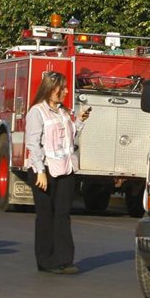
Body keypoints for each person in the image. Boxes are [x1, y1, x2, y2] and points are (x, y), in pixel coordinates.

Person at [26, 70, 90, 274]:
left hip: (65, 168)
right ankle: (46, 261)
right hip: (44, 169)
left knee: (62, 214)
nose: (66, 91)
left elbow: (70, 136)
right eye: (62, 88)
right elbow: (33, 143)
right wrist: (40, 171)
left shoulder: (63, 112)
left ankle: (64, 260)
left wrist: (79, 120)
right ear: (51, 89)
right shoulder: (37, 112)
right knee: (46, 215)